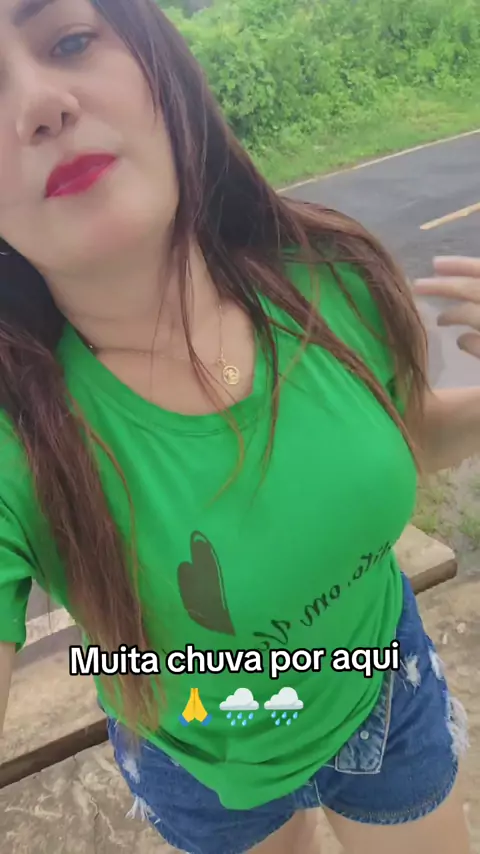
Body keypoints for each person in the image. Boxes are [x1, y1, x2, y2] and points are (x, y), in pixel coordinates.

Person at [0, 0, 479, 851]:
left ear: (159, 67)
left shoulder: (329, 279)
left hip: (382, 683)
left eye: (69, 40)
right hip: (195, 752)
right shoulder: (17, 445)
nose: (39, 103)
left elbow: (417, 439)